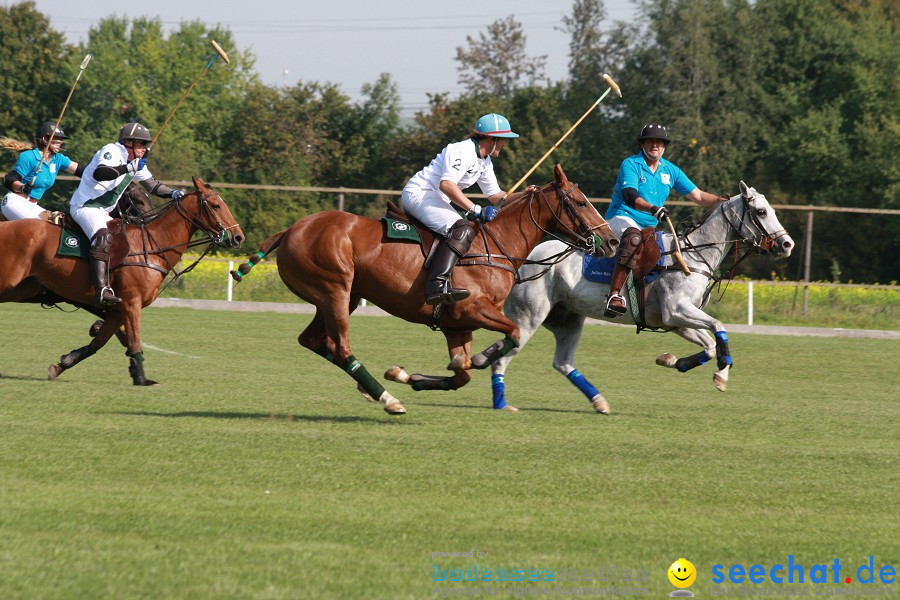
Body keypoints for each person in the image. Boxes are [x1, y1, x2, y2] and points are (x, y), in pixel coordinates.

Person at [401, 113, 537, 305]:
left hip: (436, 199)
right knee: (462, 229)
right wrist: (476, 209)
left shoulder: (485, 161)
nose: (506, 144)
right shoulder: (461, 150)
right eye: (504, 140)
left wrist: (525, 194)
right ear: (492, 139)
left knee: (471, 230)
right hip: (420, 194)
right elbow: (447, 185)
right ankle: (436, 286)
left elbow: (495, 196)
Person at [603, 123, 727, 317]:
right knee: (633, 239)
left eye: (659, 142)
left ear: (664, 146)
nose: (655, 145)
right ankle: (614, 295)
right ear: (642, 144)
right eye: (650, 141)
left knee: (666, 251)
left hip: (649, 227)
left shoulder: (670, 170)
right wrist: (653, 208)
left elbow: (700, 197)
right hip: (622, 217)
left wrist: (725, 202)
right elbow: (629, 194)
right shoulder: (631, 164)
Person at [69, 122, 185, 306]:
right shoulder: (112, 150)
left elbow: (153, 185)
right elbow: (101, 173)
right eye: (141, 144)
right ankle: (101, 290)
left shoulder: (137, 163)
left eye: (145, 145)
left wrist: (174, 193)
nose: (144, 149)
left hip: (104, 212)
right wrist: (129, 168)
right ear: (128, 142)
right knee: (103, 237)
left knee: (127, 240)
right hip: (85, 207)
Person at [1, 121, 84, 222]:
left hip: (33, 206)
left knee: (56, 225)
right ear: (45, 139)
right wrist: (22, 188)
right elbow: (9, 179)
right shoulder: (29, 156)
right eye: (57, 138)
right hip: (15, 202)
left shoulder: (58, 159)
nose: (60, 142)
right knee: (40, 228)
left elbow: (83, 171)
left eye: (61, 139)